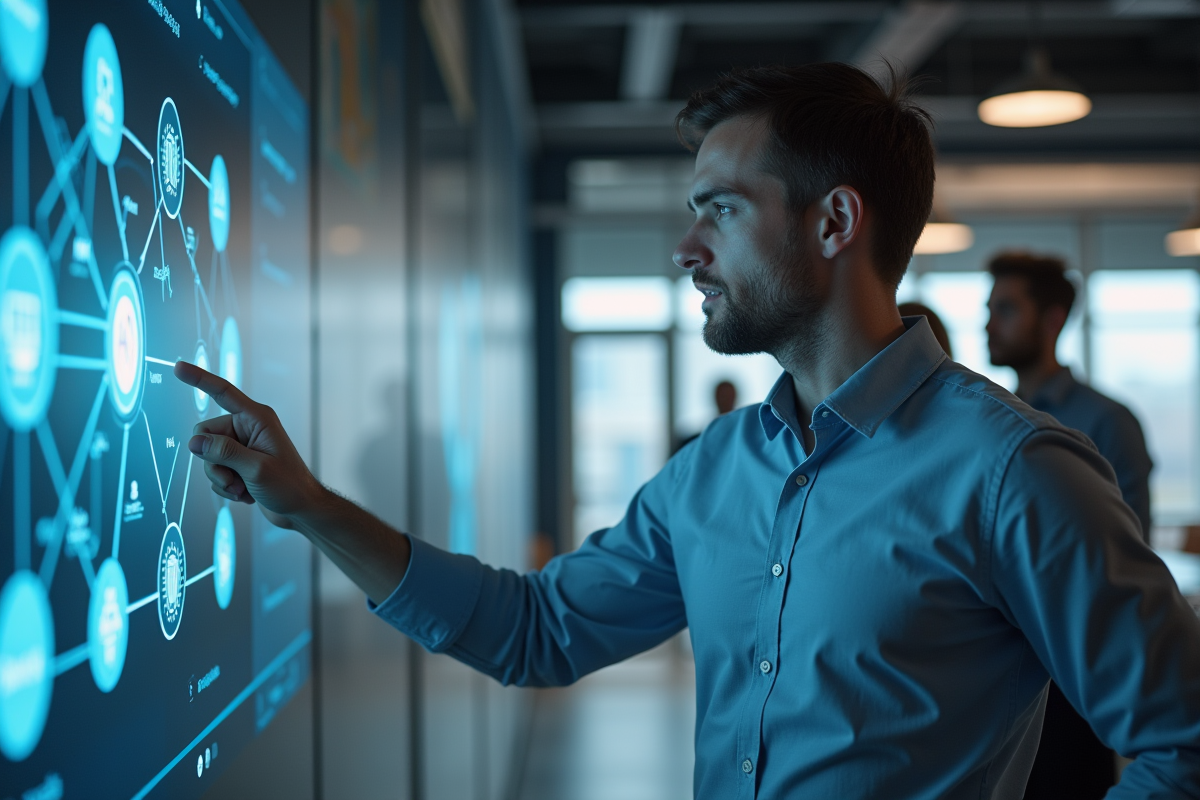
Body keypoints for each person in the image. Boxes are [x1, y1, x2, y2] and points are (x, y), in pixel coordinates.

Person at [175, 64, 1200, 798]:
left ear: (834, 223)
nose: (686, 246)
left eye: (719, 210)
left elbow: (1180, 742)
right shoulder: (713, 473)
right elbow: (536, 630)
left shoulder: (1013, 469)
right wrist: (307, 509)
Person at [985, 251, 1156, 800]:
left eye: (1006, 309)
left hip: (1071, 674)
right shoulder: (989, 418)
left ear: (1053, 319)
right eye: (990, 309)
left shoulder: (1106, 421)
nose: (990, 323)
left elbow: (1126, 562)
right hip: (996, 669)